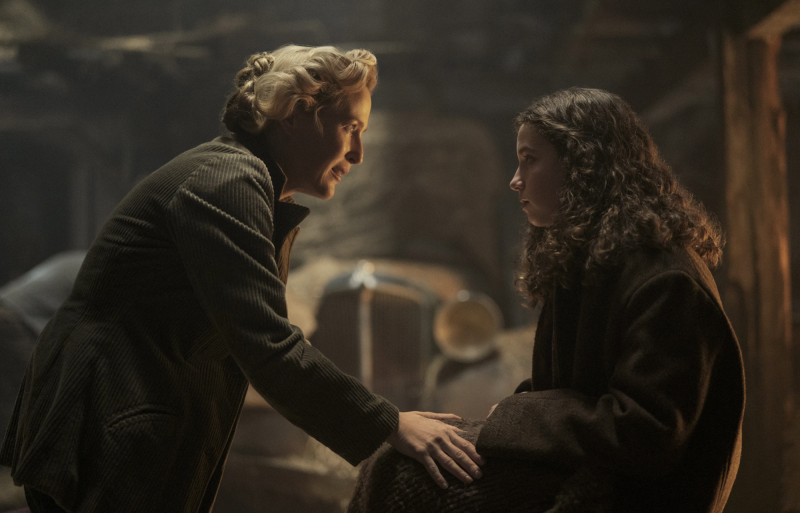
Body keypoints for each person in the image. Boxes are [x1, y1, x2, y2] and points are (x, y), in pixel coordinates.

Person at [1, 45, 483, 513]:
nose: (357, 153)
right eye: (349, 127)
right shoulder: (229, 181)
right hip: (111, 420)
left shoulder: (248, 180)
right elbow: (269, 347)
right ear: (294, 115)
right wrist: (390, 425)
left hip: (127, 417)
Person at [347, 88, 744, 513]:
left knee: (412, 485)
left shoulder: (666, 280)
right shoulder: (595, 260)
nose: (515, 180)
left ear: (582, 165)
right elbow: (562, 392)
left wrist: (514, 417)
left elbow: (646, 434)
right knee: (393, 462)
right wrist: (503, 421)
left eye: (530, 160)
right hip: (586, 467)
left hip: (634, 493)